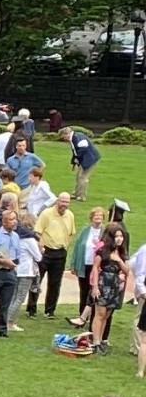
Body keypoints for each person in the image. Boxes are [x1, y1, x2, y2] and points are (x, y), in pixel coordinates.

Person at [90, 222, 130, 355]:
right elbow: (95, 268)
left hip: (115, 286)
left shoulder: (122, 252)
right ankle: (95, 342)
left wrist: (119, 260)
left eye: (121, 236)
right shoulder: (103, 250)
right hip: (103, 284)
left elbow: (127, 271)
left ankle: (100, 340)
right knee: (99, 314)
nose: (119, 239)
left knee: (107, 315)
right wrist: (95, 287)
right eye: (117, 236)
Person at [65, 126, 101, 201]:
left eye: (63, 136)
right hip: (85, 158)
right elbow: (75, 151)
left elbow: (83, 149)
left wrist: (77, 159)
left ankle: (82, 196)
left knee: (82, 177)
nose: (63, 138)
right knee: (78, 175)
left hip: (90, 158)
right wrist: (73, 162)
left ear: (67, 134)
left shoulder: (77, 138)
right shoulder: (73, 137)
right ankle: (76, 193)